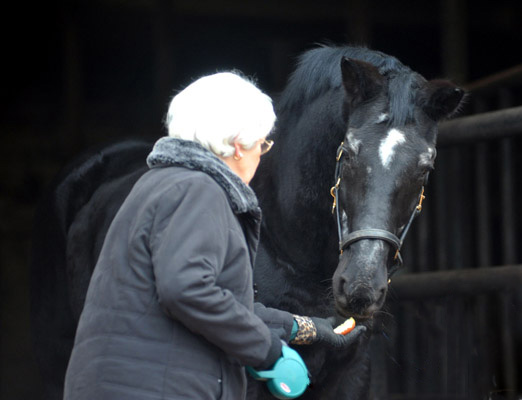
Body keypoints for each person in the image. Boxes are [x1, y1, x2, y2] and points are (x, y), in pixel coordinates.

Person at [63, 71, 364, 400]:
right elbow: (188, 290)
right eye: (262, 143)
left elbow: (211, 298)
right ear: (238, 145)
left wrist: (304, 328)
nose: (261, 155)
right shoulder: (199, 190)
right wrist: (268, 351)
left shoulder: (160, 185)